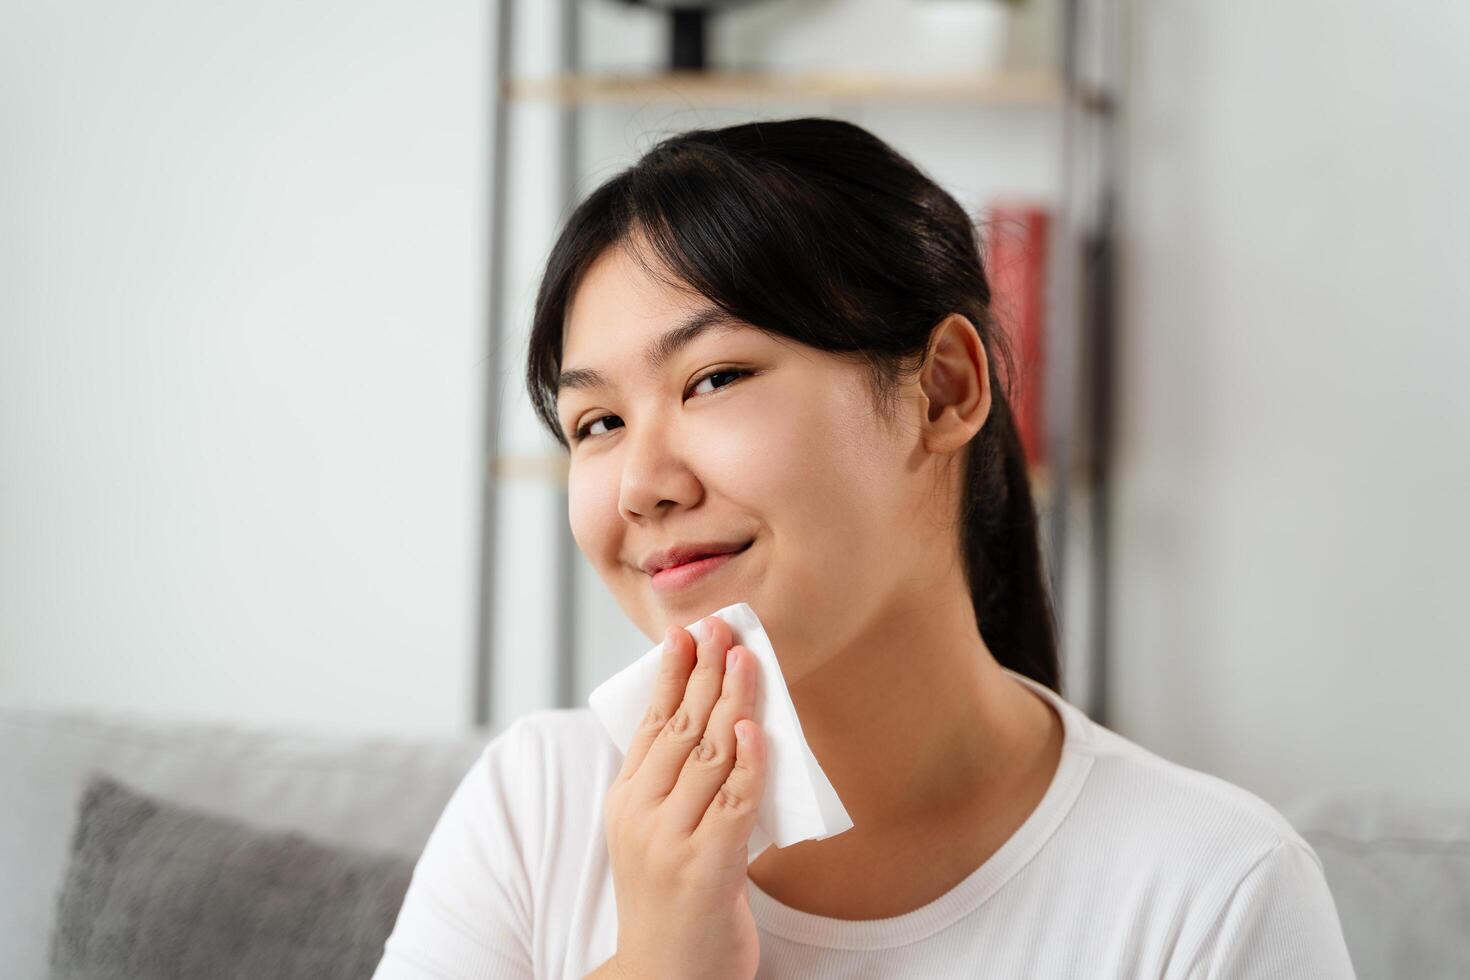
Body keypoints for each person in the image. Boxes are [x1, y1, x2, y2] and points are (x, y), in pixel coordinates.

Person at [372, 117, 1355, 979]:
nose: (642, 483)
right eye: (595, 424)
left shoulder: (1214, 887)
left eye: (712, 379)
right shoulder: (535, 807)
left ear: (944, 389)